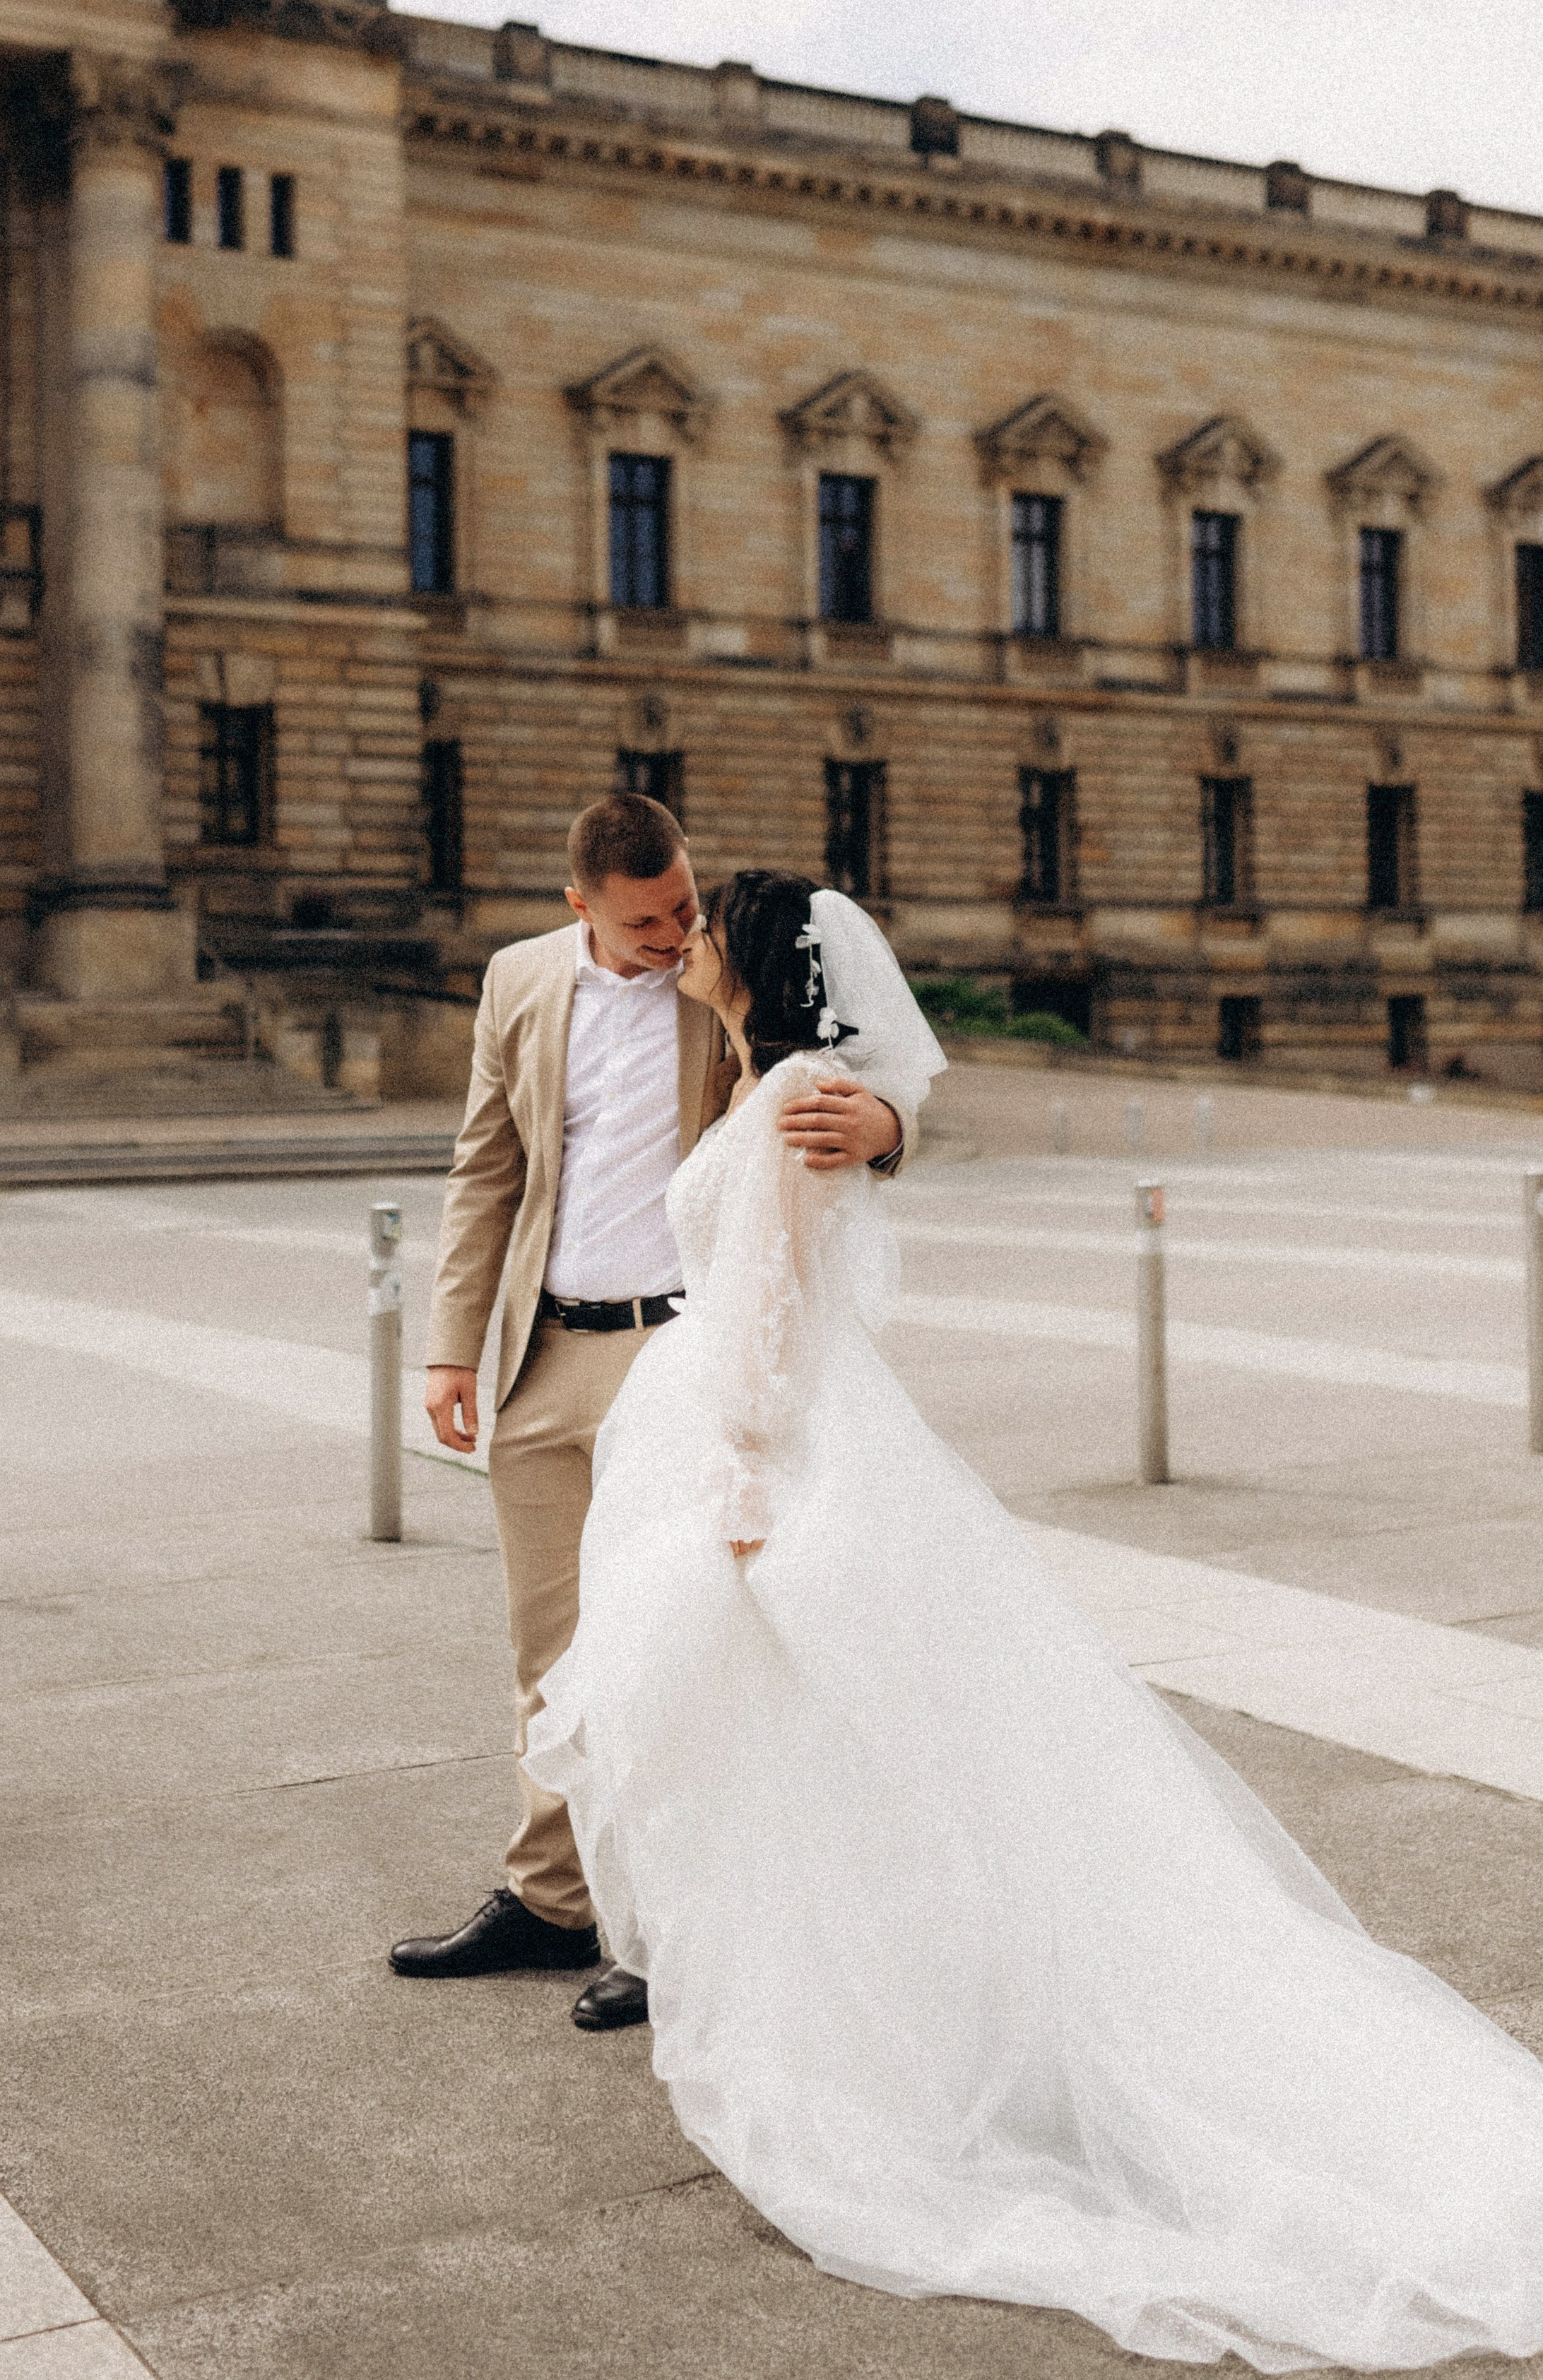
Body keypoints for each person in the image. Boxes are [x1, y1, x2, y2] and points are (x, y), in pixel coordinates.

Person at [524, 869, 1543, 2373]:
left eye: (707, 924)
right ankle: (870, 2013)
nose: (683, 942)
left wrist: (738, 1481)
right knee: (810, 1758)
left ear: (752, 958)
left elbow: (776, 1296)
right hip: (742, 1431)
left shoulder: (803, 1092)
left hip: (770, 1451)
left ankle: (897, 2052)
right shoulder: (749, 1066)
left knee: (824, 1744)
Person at [391, 795, 927, 2030]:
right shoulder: (521, 982)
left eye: (685, 907)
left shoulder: (717, 983)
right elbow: (489, 1167)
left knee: (680, 1658)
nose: (672, 933)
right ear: (579, 906)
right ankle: (551, 1895)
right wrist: (451, 1348)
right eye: (644, 919)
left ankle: (666, 1914)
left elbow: (854, 1058)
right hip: (543, 1353)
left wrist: (886, 1127)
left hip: (679, 1356)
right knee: (551, 1654)